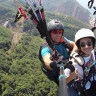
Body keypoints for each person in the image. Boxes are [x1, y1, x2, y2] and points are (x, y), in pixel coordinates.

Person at [39, 19, 79, 96]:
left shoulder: (62, 40)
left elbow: (74, 45)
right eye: (54, 32)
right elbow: (46, 60)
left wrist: (72, 55)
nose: (58, 35)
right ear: (49, 33)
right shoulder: (45, 48)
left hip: (70, 66)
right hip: (61, 74)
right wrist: (54, 65)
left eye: (60, 32)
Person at [65, 28, 96, 96]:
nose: (86, 46)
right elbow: (63, 81)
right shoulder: (74, 62)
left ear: (93, 43)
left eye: (89, 43)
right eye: (82, 44)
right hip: (86, 89)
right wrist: (71, 77)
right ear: (79, 46)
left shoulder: (93, 53)